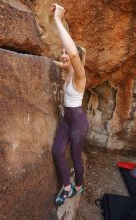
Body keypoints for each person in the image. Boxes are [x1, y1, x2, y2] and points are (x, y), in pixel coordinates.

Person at [50, 3, 89, 206]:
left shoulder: (80, 76)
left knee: (75, 157)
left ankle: (79, 185)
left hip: (79, 123)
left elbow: (74, 56)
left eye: (67, 53)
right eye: (62, 52)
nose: (64, 55)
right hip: (68, 120)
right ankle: (67, 186)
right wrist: (46, 60)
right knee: (57, 151)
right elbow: (64, 61)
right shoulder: (68, 72)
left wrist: (58, 19)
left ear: (79, 60)